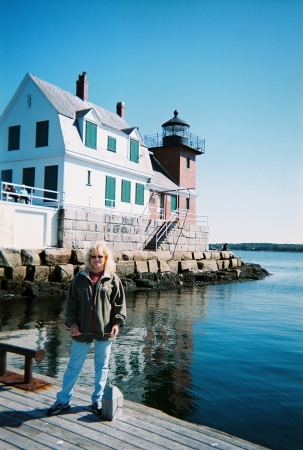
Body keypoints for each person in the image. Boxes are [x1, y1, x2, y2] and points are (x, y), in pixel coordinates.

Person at [47, 241, 126, 416]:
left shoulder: (113, 279)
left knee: (102, 367)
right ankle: (63, 400)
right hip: (81, 332)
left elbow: (119, 305)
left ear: (105, 258)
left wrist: (116, 323)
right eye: (93, 256)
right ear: (88, 259)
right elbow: (70, 306)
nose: (97, 259)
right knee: (73, 367)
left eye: (100, 256)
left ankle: (97, 400)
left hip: (105, 333)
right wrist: (72, 324)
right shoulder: (79, 278)